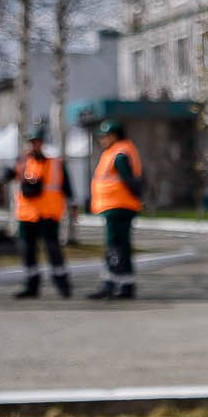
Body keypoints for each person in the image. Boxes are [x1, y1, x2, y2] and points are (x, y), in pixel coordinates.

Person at [9, 124, 73, 299]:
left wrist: (73, 207)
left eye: (36, 142)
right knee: (28, 251)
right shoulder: (22, 163)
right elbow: (8, 176)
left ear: (42, 143)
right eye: (30, 143)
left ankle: (62, 285)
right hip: (27, 214)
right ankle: (31, 286)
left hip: (48, 213)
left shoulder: (55, 163)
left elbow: (67, 187)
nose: (33, 146)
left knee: (52, 249)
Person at [87, 119, 143, 300]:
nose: (102, 139)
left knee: (115, 246)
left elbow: (128, 180)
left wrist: (136, 196)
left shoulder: (119, 154)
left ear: (115, 136)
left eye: (105, 136)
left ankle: (112, 283)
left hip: (118, 206)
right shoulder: (116, 151)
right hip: (118, 205)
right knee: (121, 246)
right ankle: (124, 284)